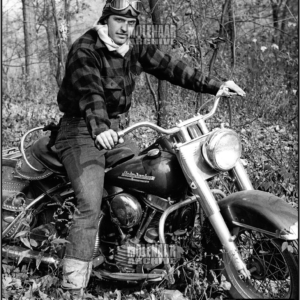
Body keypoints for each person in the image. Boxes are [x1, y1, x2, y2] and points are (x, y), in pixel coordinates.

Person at [54, 0, 245, 298]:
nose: (125, 28)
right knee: (89, 202)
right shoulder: (85, 50)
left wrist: (215, 85)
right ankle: (73, 285)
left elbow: (171, 66)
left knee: (145, 178)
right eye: (119, 21)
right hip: (81, 129)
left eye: (130, 23)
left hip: (115, 130)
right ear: (106, 20)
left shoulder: (135, 46)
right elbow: (91, 94)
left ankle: (134, 247)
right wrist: (101, 128)